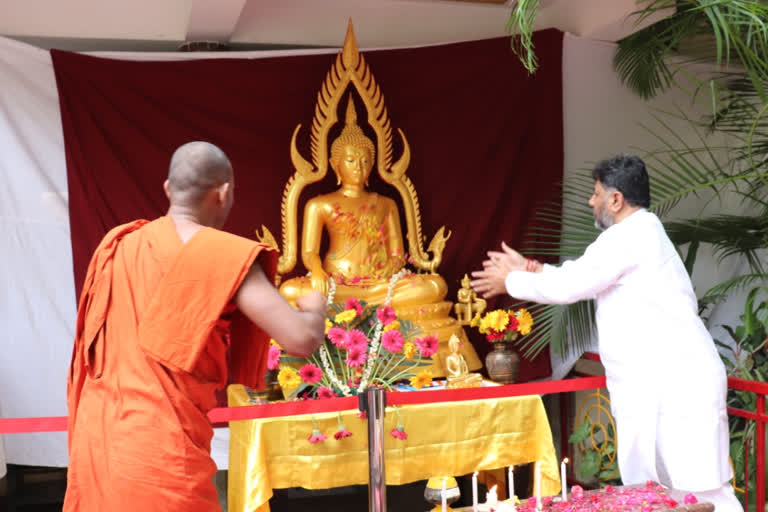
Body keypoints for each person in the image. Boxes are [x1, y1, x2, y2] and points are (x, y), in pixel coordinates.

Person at [63, 141, 326, 512]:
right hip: (161, 455)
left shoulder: (116, 247)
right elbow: (300, 338)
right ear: (223, 194)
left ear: (169, 189)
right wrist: (315, 307)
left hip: (102, 444)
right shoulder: (221, 255)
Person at [471, 154, 741, 512]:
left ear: (616, 199)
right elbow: (581, 275)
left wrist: (511, 280)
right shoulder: (633, 235)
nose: (590, 201)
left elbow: (572, 286)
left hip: (679, 385)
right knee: (661, 495)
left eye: (596, 193)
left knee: (702, 492)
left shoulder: (633, 234)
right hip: (662, 385)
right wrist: (531, 268)